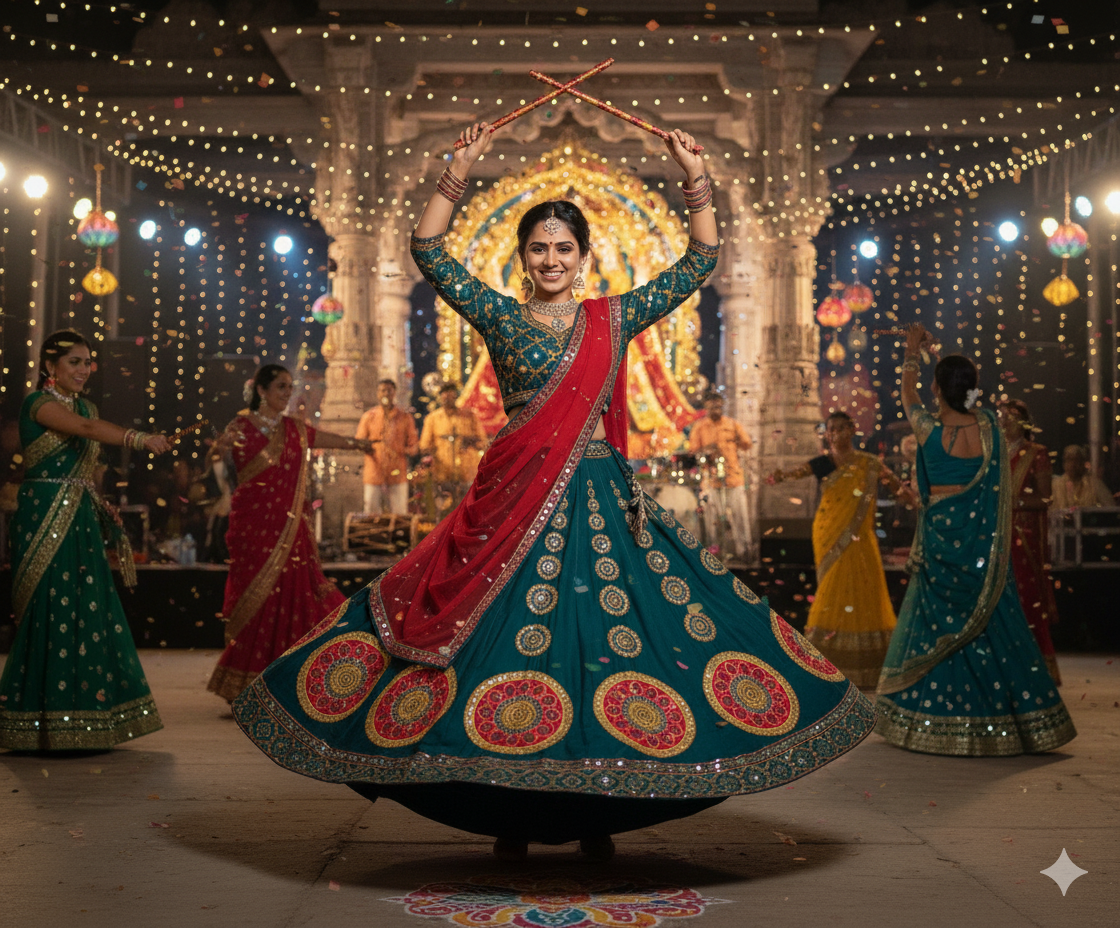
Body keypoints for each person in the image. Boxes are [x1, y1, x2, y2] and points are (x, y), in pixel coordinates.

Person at [232, 123, 876, 861]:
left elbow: (701, 259)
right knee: (508, 646)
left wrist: (693, 176)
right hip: (511, 503)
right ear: (522, 257)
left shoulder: (614, 316)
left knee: (603, 642)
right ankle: (511, 810)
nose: (550, 260)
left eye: (563, 249)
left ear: (583, 256)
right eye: (538, 248)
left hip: (598, 499)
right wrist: (460, 168)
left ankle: (599, 807)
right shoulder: (501, 316)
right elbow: (428, 251)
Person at [875, 325, 1076, 755]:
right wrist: (939, 358)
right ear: (971, 390)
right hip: (982, 546)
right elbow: (956, 387)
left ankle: (935, 717)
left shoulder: (927, 429)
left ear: (937, 390)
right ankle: (1009, 717)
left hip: (939, 539)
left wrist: (914, 351)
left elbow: (908, 393)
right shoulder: (988, 427)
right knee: (991, 622)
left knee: (937, 627)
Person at [0, 329, 172, 750]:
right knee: (48, 606)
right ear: (49, 367)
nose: (83, 369)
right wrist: (138, 438)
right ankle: (36, 720)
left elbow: (87, 460)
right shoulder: (37, 404)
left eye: (87, 361)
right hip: (43, 513)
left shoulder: (87, 404)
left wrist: (101, 502)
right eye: (74, 361)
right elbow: (84, 428)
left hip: (79, 514)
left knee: (86, 604)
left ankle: (88, 718)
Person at [206, 365, 374, 702]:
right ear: (262, 391)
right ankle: (244, 680)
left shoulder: (294, 428)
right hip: (253, 528)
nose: (287, 393)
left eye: (289, 386)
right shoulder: (240, 427)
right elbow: (216, 461)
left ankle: (290, 674)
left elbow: (323, 438)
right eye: (281, 387)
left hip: (290, 530)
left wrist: (358, 444)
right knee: (253, 597)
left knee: (293, 592)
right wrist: (217, 451)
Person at [768, 411, 912, 689]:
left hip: (861, 536)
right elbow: (795, 473)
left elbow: (895, 487)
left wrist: (912, 496)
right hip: (828, 532)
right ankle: (826, 661)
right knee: (832, 586)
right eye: (830, 429)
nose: (834, 434)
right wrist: (778, 476)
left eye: (840, 428)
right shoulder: (823, 463)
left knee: (864, 586)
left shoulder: (869, 463)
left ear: (852, 430)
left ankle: (867, 664)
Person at [999, 400, 1062, 685]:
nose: (1005, 421)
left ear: (1024, 422)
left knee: (1026, 599)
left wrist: (1014, 501)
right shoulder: (995, 453)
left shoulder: (1037, 453)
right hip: (999, 537)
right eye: (1002, 416)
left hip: (1025, 537)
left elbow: (1045, 498)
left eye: (1012, 417)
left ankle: (1034, 668)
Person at [688, 391, 753, 561]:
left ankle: (744, 551)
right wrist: (709, 449)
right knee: (712, 520)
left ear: (722, 406)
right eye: (712, 407)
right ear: (706, 408)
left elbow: (747, 444)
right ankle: (714, 553)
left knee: (741, 518)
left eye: (718, 406)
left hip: (734, 478)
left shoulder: (732, 424)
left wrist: (736, 440)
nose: (716, 410)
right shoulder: (699, 427)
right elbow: (693, 451)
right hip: (711, 480)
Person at [419, 382, 488, 520]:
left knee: (468, 513)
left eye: (451, 395)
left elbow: (483, 443)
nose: (448, 399)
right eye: (444, 396)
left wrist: (470, 441)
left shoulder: (469, 416)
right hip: (442, 474)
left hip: (466, 474)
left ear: (456, 396)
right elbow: (424, 446)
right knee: (444, 514)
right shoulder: (432, 419)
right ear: (440, 398)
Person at [356, 379, 419, 517]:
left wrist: (400, 450)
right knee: (371, 514)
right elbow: (359, 442)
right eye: (382, 390)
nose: (386, 393)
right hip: (374, 472)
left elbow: (414, 446)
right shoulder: (369, 417)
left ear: (394, 393)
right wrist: (368, 447)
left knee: (399, 515)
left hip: (397, 473)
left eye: (389, 390)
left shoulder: (404, 417)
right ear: (378, 393)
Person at [1050, 444, 1113, 509]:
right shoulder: (1057, 484)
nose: (1072, 464)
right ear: (1064, 463)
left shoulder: (1094, 484)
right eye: (1069, 460)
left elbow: (1110, 507)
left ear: (1083, 462)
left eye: (1076, 460)